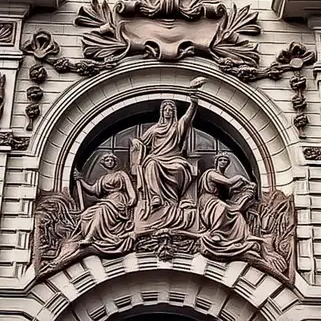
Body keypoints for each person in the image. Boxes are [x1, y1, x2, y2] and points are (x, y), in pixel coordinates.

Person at [130, 91, 198, 219]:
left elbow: (187, 118)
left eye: (170, 110)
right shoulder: (154, 129)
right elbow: (142, 141)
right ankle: (156, 197)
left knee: (179, 168)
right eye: (165, 110)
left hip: (174, 158)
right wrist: (136, 142)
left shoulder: (177, 127)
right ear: (162, 112)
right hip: (156, 158)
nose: (168, 112)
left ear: (173, 113)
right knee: (151, 165)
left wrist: (193, 103)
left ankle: (173, 200)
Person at [196, 153, 263, 259]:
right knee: (222, 207)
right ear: (216, 162)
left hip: (217, 200)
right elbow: (229, 182)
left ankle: (244, 237)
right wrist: (241, 177)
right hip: (208, 199)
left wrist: (247, 188)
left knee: (237, 214)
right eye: (221, 160)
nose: (223, 162)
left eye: (226, 160)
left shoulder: (223, 177)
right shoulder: (211, 173)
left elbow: (231, 189)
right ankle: (216, 233)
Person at [73, 152, 135, 254]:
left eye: (111, 160)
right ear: (104, 163)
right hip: (107, 200)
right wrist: (80, 180)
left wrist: (132, 197)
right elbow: (92, 190)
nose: (110, 162)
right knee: (86, 214)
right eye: (107, 160)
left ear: (115, 162)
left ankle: (90, 237)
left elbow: (129, 187)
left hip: (118, 199)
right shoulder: (102, 179)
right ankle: (91, 234)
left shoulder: (121, 174)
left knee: (102, 210)